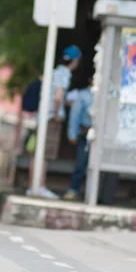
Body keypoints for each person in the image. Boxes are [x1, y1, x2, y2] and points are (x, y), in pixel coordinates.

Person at [26, 45, 82, 199]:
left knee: (37, 153)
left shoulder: (54, 71)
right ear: (75, 60)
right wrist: (57, 113)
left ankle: (33, 186)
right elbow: (58, 96)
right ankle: (40, 186)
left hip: (42, 116)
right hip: (51, 118)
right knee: (44, 154)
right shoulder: (64, 74)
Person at [62, 71, 94, 201]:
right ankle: (73, 189)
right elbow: (75, 115)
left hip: (103, 137)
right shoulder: (83, 95)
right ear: (90, 79)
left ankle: (93, 194)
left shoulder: (108, 94)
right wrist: (72, 134)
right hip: (85, 134)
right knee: (81, 164)